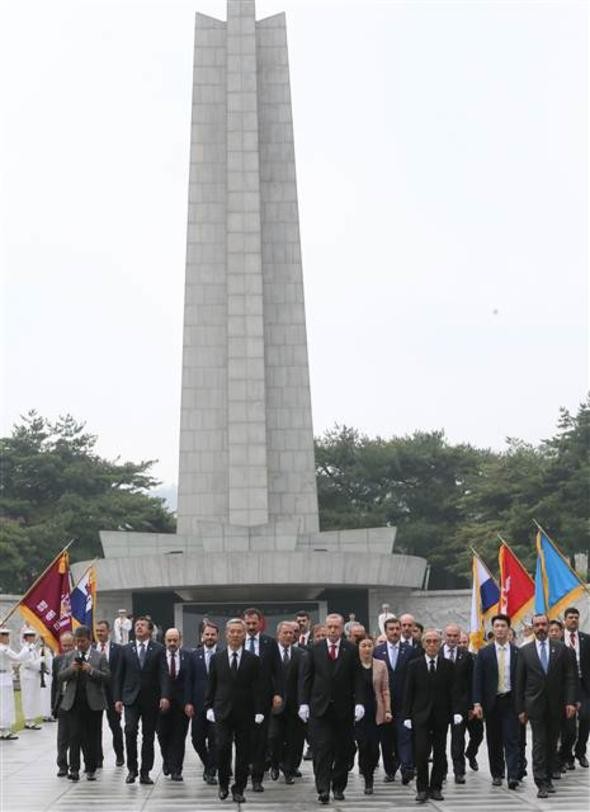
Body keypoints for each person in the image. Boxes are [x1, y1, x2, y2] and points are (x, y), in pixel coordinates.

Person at [299, 613, 365, 805]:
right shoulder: (314, 650)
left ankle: (338, 786)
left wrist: (360, 702)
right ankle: (323, 789)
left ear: (342, 628)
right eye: (330, 627)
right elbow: (306, 678)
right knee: (322, 749)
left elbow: (358, 678)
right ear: (325, 628)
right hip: (320, 708)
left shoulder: (351, 649)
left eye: (336, 627)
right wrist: (303, 703)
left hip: (343, 709)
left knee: (344, 749)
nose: (333, 630)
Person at [515, 612, 577, 798]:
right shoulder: (525, 651)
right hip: (534, 706)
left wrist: (570, 702)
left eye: (544, 624)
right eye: (537, 625)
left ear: (549, 626)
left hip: (557, 705)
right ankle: (540, 781)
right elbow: (520, 682)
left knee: (551, 743)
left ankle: (549, 777)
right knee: (539, 743)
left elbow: (570, 678)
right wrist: (520, 709)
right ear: (533, 628)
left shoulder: (561, 649)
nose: (541, 628)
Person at [204, 618, 263, 804]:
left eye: (239, 632)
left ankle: (239, 788)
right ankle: (223, 785)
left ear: (244, 635)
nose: (236, 635)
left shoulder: (253, 660)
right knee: (222, 749)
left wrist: (259, 710)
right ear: (227, 635)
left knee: (243, 753)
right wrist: (208, 707)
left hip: (245, 713)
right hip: (222, 711)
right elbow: (211, 685)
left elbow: (257, 687)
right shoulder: (217, 658)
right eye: (232, 632)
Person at [402, 627, 462, 803]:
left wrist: (457, 712)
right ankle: (422, 789)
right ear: (423, 644)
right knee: (421, 753)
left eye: (435, 641)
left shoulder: (448, 665)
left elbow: (454, 691)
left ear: (440, 643)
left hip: (441, 716)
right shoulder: (414, 665)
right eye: (428, 641)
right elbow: (409, 692)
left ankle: (436, 787)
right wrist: (406, 715)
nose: (432, 645)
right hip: (420, 716)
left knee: (440, 753)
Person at [114, 615, 170, 785]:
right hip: (130, 698)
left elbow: (163, 674)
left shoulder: (159, 649)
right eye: (137, 625)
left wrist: (165, 696)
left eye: (143, 625)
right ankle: (132, 769)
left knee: (148, 736)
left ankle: (145, 771)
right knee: (130, 731)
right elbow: (119, 675)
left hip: (151, 698)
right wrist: (117, 698)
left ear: (150, 630)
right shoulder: (126, 649)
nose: (139, 627)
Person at [472, 613, 521, 789]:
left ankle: (513, 775)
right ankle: (497, 773)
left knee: (512, 739)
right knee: (494, 740)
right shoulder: (484, 653)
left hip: (510, 701)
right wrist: (477, 703)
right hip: (491, 703)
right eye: (497, 626)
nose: (500, 629)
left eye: (503, 626)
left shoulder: (517, 652)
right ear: (493, 629)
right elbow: (477, 680)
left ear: (509, 630)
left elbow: (521, 679)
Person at [56, 625, 110, 781]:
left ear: (89, 640)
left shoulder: (99, 657)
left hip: (93, 704)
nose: (79, 644)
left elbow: (107, 678)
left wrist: (90, 669)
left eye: (83, 641)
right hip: (73, 703)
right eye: (77, 641)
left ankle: (91, 768)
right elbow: (60, 676)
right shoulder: (69, 656)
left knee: (92, 737)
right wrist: (72, 670)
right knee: (74, 736)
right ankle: (74, 769)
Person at [373, 616, 420, 783]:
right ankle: (390, 770)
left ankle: (407, 767)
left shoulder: (410, 651)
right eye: (391, 629)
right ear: (385, 632)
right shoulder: (377, 651)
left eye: (396, 629)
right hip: (384, 703)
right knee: (387, 739)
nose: (394, 632)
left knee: (404, 735)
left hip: (404, 702)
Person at [242, 607, 283, 792]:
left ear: (260, 623)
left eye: (253, 623)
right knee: (243, 737)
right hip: (240, 698)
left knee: (260, 738)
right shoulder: (237, 641)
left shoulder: (269, 643)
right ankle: (244, 770)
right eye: (247, 623)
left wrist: (277, 693)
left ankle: (257, 777)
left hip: (263, 698)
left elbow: (278, 671)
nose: (251, 627)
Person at [269, 621, 306, 784]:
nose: (289, 636)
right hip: (274, 705)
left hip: (294, 705)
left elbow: (304, 680)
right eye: (285, 633)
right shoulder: (270, 653)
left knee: (293, 740)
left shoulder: (301, 654)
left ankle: (288, 769)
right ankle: (275, 763)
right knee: (274, 737)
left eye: (292, 633)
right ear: (278, 635)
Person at [355, 635, 391, 795]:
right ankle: (367, 780)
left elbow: (385, 689)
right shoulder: (353, 665)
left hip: (376, 710)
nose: (367, 649)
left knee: (374, 748)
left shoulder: (380, 665)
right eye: (364, 645)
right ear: (358, 647)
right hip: (358, 712)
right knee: (363, 746)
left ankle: (371, 768)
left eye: (370, 645)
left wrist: (388, 710)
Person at [185, 621, 220, 784]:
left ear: (218, 636)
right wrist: (188, 703)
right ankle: (210, 763)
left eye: (213, 634)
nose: (210, 637)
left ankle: (210, 771)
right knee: (196, 739)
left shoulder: (223, 654)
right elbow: (188, 681)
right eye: (207, 634)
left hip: (218, 705)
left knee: (215, 739)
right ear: (202, 636)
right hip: (198, 705)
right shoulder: (193, 655)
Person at [439, 623, 472, 784]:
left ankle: (459, 771)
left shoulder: (466, 655)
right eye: (449, 636)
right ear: (444, 636)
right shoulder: (436, 653)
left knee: (458, 739)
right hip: (439, 704)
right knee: (440, 739)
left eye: (455, 636)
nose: (452, 639)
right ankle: (441, 770)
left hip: (460, 705)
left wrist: (471, 705)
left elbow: (471, 682)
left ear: (459, 637)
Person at [157, 628, 190, 781]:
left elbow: (191, 680)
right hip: (162, 703)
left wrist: (189, 702)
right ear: (165, 640)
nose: (172, 643)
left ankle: (176, 769)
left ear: (180, 640)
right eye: (169, 640)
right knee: (163, 735)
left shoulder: (187, 657)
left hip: (181, 704)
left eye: (175, 640)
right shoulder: (158, 656)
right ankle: (167, 760)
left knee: (178, 737)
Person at [560, 606, 590, 769]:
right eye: (570, 617)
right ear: (565, 620)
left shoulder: (586, 639)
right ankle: (566, 755)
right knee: (568, 725)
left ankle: (580, 752)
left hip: (583, 686)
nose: (573, 620)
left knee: (586, 718)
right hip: (565, 686)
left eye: (576, 617)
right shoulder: (558, 640)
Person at [93, 620, 124, 767]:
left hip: (113, 694)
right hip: (96, 694)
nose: (99, 633)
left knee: (115, 726)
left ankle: (120, 755)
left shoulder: (118, 650)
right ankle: (98, 758)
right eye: (97, 631)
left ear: (109, 631)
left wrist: (120, 696)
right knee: (95, 728)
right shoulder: (92, 649)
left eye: (102, 631)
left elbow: (121, 674)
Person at [459, 630, 484, 771]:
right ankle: (460, 766)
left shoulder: (475, 658)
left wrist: (474, 705)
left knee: (478, 735)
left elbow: (477, 683)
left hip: (473, 705)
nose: (462, 645)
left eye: (465, 642)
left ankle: (471, 753)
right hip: (459, 706)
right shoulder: (453, 659)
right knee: (458, 738)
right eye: (460, 642)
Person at [0, 627, 30, 740]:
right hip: (3, 679)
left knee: (4, 704)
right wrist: (28, 647)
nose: (8, 638)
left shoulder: (4, 648)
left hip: (5, 676)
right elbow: (17, 658)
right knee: (5, 705)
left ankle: (4, 730)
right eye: (6, 635)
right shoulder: (3, 649)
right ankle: (4, 730)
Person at [51, 631, 75, 775]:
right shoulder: (57, 660)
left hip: (76, 702)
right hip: (62, 701)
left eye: (69, 645)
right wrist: (52, 705)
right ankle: (62, 765)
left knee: (76, 735)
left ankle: (74, 765)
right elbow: (55, 683)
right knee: (62, 736)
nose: (66, 648)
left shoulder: (79, 659)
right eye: (64, 645)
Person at [19, 628, 42, 729]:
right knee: (28, 698)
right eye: (31, 636)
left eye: (33, 635)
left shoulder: (32, 648)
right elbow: (28, 664)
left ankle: (31, 719)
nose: (33, 637)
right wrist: (40, 662)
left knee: (33, 698)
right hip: (28, 676)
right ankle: (28, 720)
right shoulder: (25, 649)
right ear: (27, 638)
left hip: (33, 676)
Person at [38, 637, 54, 722]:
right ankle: (46, 715)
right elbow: (43, 664)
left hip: (49, 675)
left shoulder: (48, 650)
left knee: (48, 695)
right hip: (46, 674)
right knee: (45, 695)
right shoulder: (43, 651)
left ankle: (47, 714)